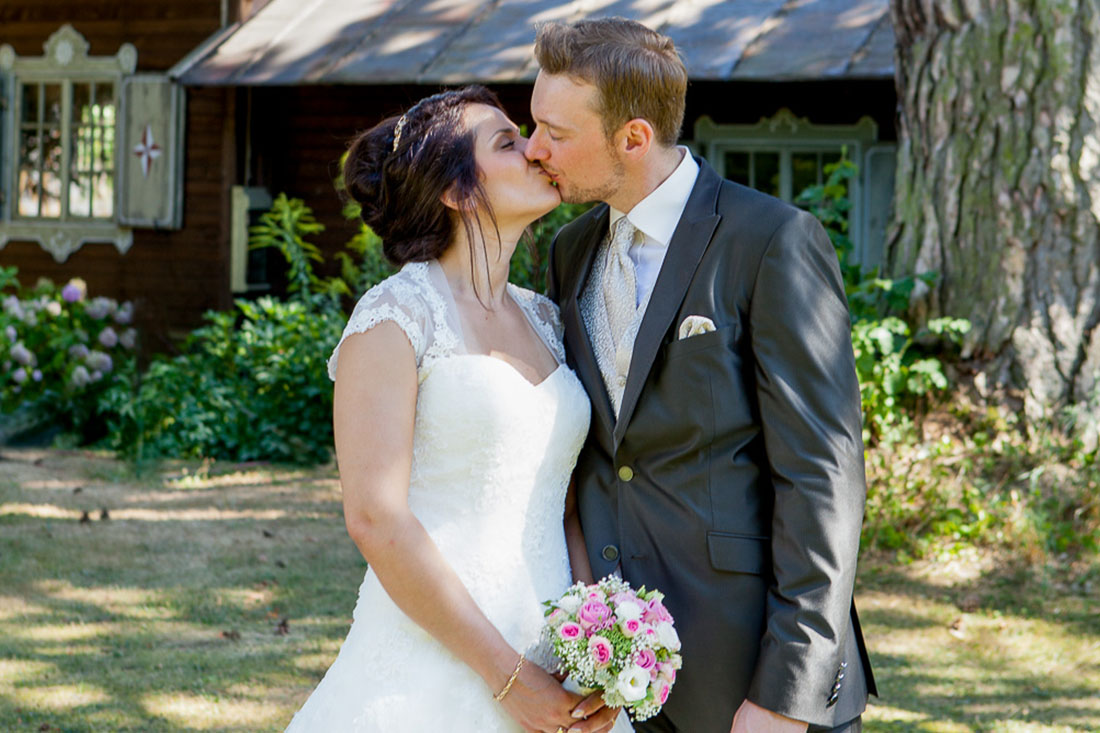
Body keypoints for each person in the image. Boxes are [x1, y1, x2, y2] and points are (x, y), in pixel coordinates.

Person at [526, 18, 877, 733]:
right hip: (617, 669)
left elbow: (823, 476)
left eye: (555, 134)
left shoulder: (771, 240)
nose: (535, 150)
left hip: (749, 670)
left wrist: (787, 691)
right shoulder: (569, 250)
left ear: (632, 137)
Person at [285, 86, 628, 733]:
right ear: (457, 190)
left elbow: (569, 509)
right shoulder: (392, 319)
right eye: (506, 142)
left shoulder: (548, 318)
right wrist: (506, 676)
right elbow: (375, 517)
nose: (534, 149)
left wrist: (594, 649)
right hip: (438, 659)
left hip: (556, 656)